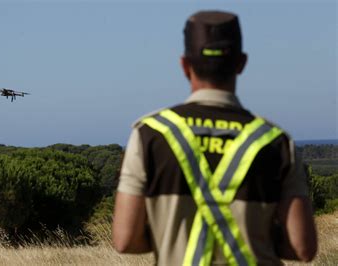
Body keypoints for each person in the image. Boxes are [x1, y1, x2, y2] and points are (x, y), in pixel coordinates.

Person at [112, 10, 317, 266]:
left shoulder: (150, 134)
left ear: (185, 66)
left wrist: (169, 237)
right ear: (241, 63)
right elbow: (302, 248)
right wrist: (259, 237)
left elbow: (125, 239)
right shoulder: (275, 142)